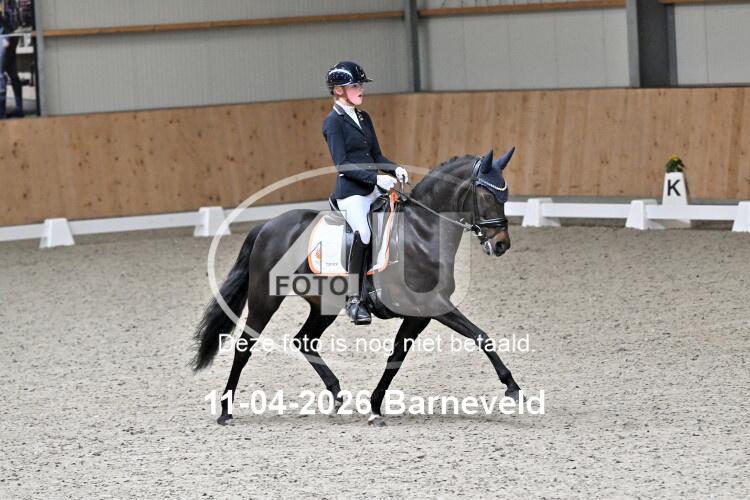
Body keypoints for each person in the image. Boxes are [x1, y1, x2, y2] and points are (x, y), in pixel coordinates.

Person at [322, 61, 408, 325]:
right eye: (355, 86)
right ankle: (353, 299)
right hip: (352, 193)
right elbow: (342, 164)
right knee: (365, 232)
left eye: (361, 85)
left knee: (401, 218)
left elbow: (376, 155)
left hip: (373, 188)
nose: (361, 89)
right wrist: (376, 178)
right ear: (339, 90)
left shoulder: (363, 117)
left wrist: (395, 168)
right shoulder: (333, 122)